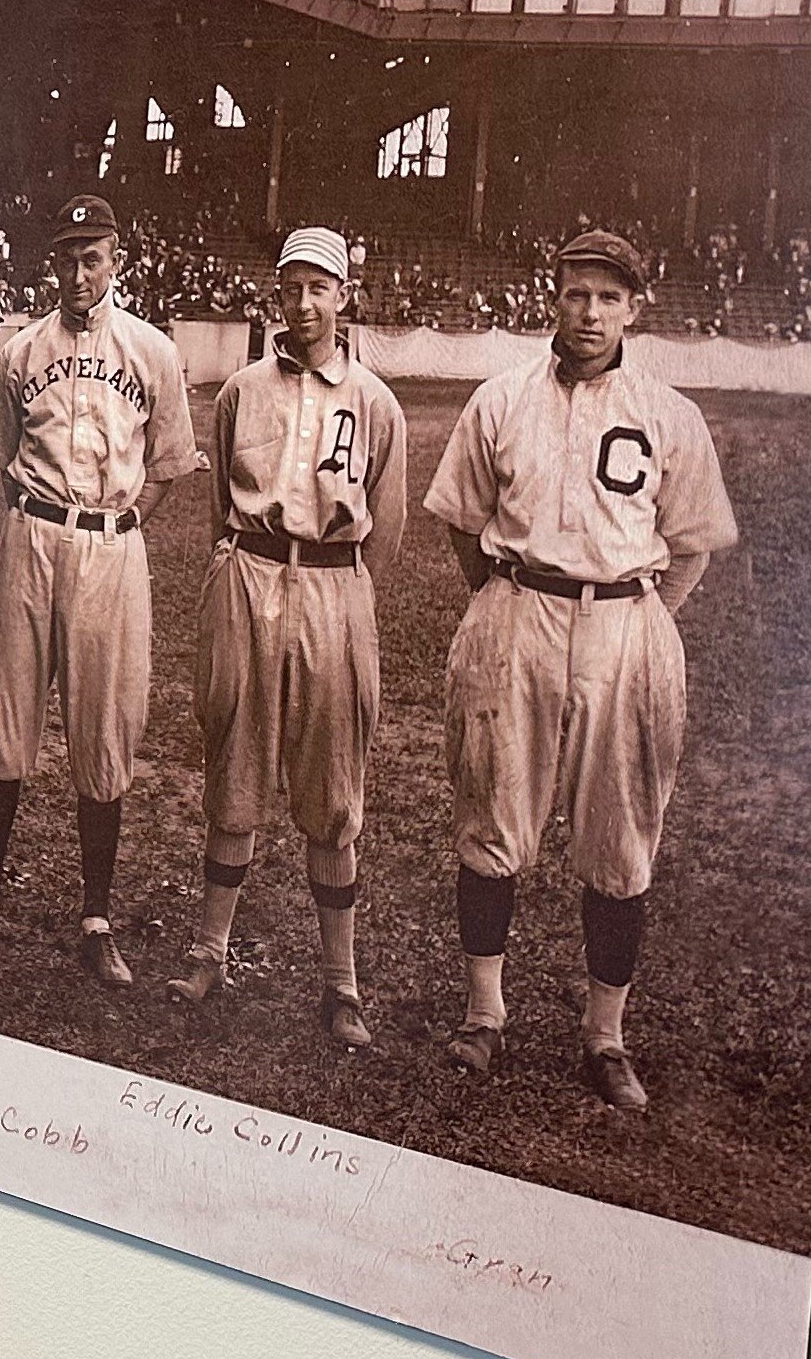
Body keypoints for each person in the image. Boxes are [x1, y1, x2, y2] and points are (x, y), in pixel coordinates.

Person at [423, 229, 738, 1110]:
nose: (589, 312)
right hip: (518, 612)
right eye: (576, 294)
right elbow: (462, 519)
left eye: (608, 297)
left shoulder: (669, 412)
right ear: (551, 298)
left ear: (634, 307)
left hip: (624, 627)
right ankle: (484, 1015)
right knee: (492, 814)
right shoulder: (502, 399)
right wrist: (502, 601)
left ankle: (606, 1035)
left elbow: (691, 545)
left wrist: (637, 620)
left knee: (620, 837)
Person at [168, 227, 407, 1046]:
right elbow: (216, 515)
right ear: (277, 293)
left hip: (336, 584)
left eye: (320, 288)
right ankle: (210, 948)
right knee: (234, 759)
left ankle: (341, 982)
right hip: (249, 571)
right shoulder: (241, 389)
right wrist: (244, 570)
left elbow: (390, 525)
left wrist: (338, 584)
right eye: (292, 287)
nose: (304, 305)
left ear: (344, 297)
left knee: (334, 782)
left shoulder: (375, 401)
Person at [0, 193, 197, 985]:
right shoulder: (23, 349)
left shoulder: (153, 350)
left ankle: (97, 914)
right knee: (8, 712)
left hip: (110, 545)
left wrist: (121, 523)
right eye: (66, 255)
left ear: (116, 259)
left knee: (104, 725)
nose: (78, 269)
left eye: (92, 255)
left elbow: (167, 466)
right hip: (33, 535)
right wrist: (41, 521)